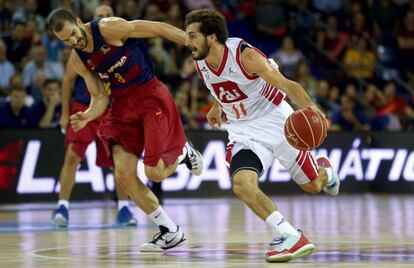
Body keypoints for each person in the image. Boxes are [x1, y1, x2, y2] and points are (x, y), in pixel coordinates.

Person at [184, 9, 340, 263]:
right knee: (242, 185)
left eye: (192, 35)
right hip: (242, 130)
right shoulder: (199, 59)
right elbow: (218, 83)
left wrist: (312, 109)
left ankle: (324, 170)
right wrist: (216, 105)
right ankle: (290, 235)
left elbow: (287, 85)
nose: (187, 41)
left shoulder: (246, 56)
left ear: (211, 37)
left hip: (276, 120)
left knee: (313, 186)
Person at [47, 8, 203, 251]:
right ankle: (169, 231)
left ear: (79, 22)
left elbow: (158, 28)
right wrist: (87, 116)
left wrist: (191, 43)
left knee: (154, 173)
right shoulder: (78, 59)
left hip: (149, 95)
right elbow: (99, 97)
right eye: (65, 40)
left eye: (73, 34)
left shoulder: (108, 28)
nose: (73, 41)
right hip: (121, 105)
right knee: (123, 174)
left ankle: (184, 153)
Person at [51, 5, 138, 228]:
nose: (104, 19)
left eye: (108, 15)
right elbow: (68, 81)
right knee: (72, 157)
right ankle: (62, 206)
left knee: (120, 161)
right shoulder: (80, 48)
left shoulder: (119, 41)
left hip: (114, 107)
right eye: (100, 16)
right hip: (85, 105)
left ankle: (124, 209)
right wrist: (64, 113)